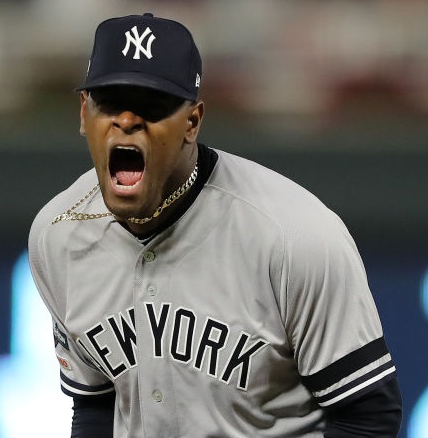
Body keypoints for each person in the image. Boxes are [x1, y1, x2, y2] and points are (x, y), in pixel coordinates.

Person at [28, 12, 402, 437]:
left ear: (192, 121)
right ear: (84, 113)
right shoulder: (57, 236)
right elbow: (96, 406)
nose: (127, 121)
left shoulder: (294, 236)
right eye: (110, 102)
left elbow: (368, 417)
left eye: (152, 105)